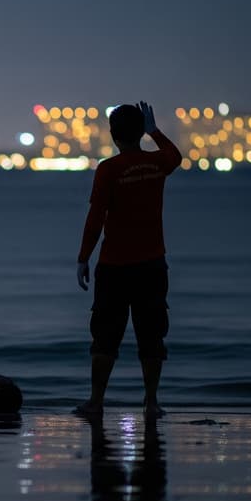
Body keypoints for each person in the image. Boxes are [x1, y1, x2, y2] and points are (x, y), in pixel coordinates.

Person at [75, 101, 183, 415]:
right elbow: (176, 156)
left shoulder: (109, 169)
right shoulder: (156, 163)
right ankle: (151, 402)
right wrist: (155, 131)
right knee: (152, 335)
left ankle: (96, 402)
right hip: (152, 265)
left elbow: (95, 218)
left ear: (112, 135)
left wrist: (83, 258)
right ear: (139, 131)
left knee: (105, 336)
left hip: (114, 267)